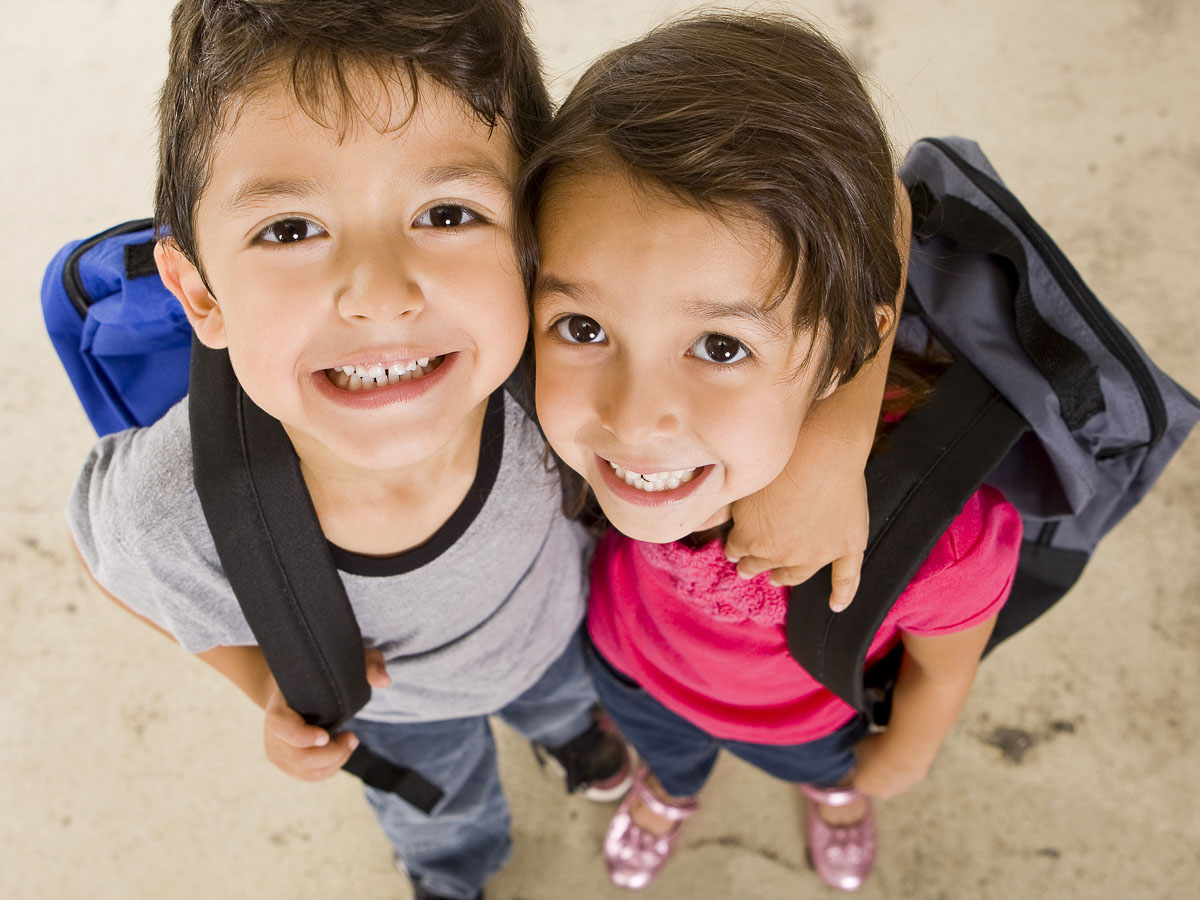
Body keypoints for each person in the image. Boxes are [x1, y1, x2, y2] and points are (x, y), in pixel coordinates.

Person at [64, 2, 889, 896]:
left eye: (447, 212)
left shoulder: (564, 371)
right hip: (398, 714)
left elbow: (879, 200)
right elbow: (112, 556)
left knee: (574, 710)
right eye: (292, 228)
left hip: (560, 640)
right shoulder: (175, 506)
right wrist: (263, 680)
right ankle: (454, 877)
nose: (380, 296)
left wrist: (833, 442)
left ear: (532, 239)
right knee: (443, 816)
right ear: (199, 292)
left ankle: (581, 745)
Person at [518, 12, 1024, 892]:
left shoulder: (938, 538)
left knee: (831, 780)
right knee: (668, 758)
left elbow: (943, 670)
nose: (636, 420)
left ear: (846, 350)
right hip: (631, 663)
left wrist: (900, 757)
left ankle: (833, 805)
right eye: (584, 325)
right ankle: (670, 793)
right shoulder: (531, 384)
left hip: (810, 724)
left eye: (720, 347)